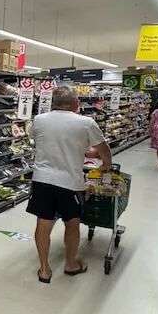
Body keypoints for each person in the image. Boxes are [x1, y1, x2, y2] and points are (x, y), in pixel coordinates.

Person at [27, 86, 111, 283]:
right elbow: (103, 148)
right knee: (72, 224)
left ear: (53, 103)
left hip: (42, 180)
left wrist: (77, 149)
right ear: (76, 104)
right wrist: (106, 164)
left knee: (43, 223)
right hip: (70, 183)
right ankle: (71, 264)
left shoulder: (39, 120)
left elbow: (42, 141)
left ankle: (45, 269)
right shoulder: (86, 122)